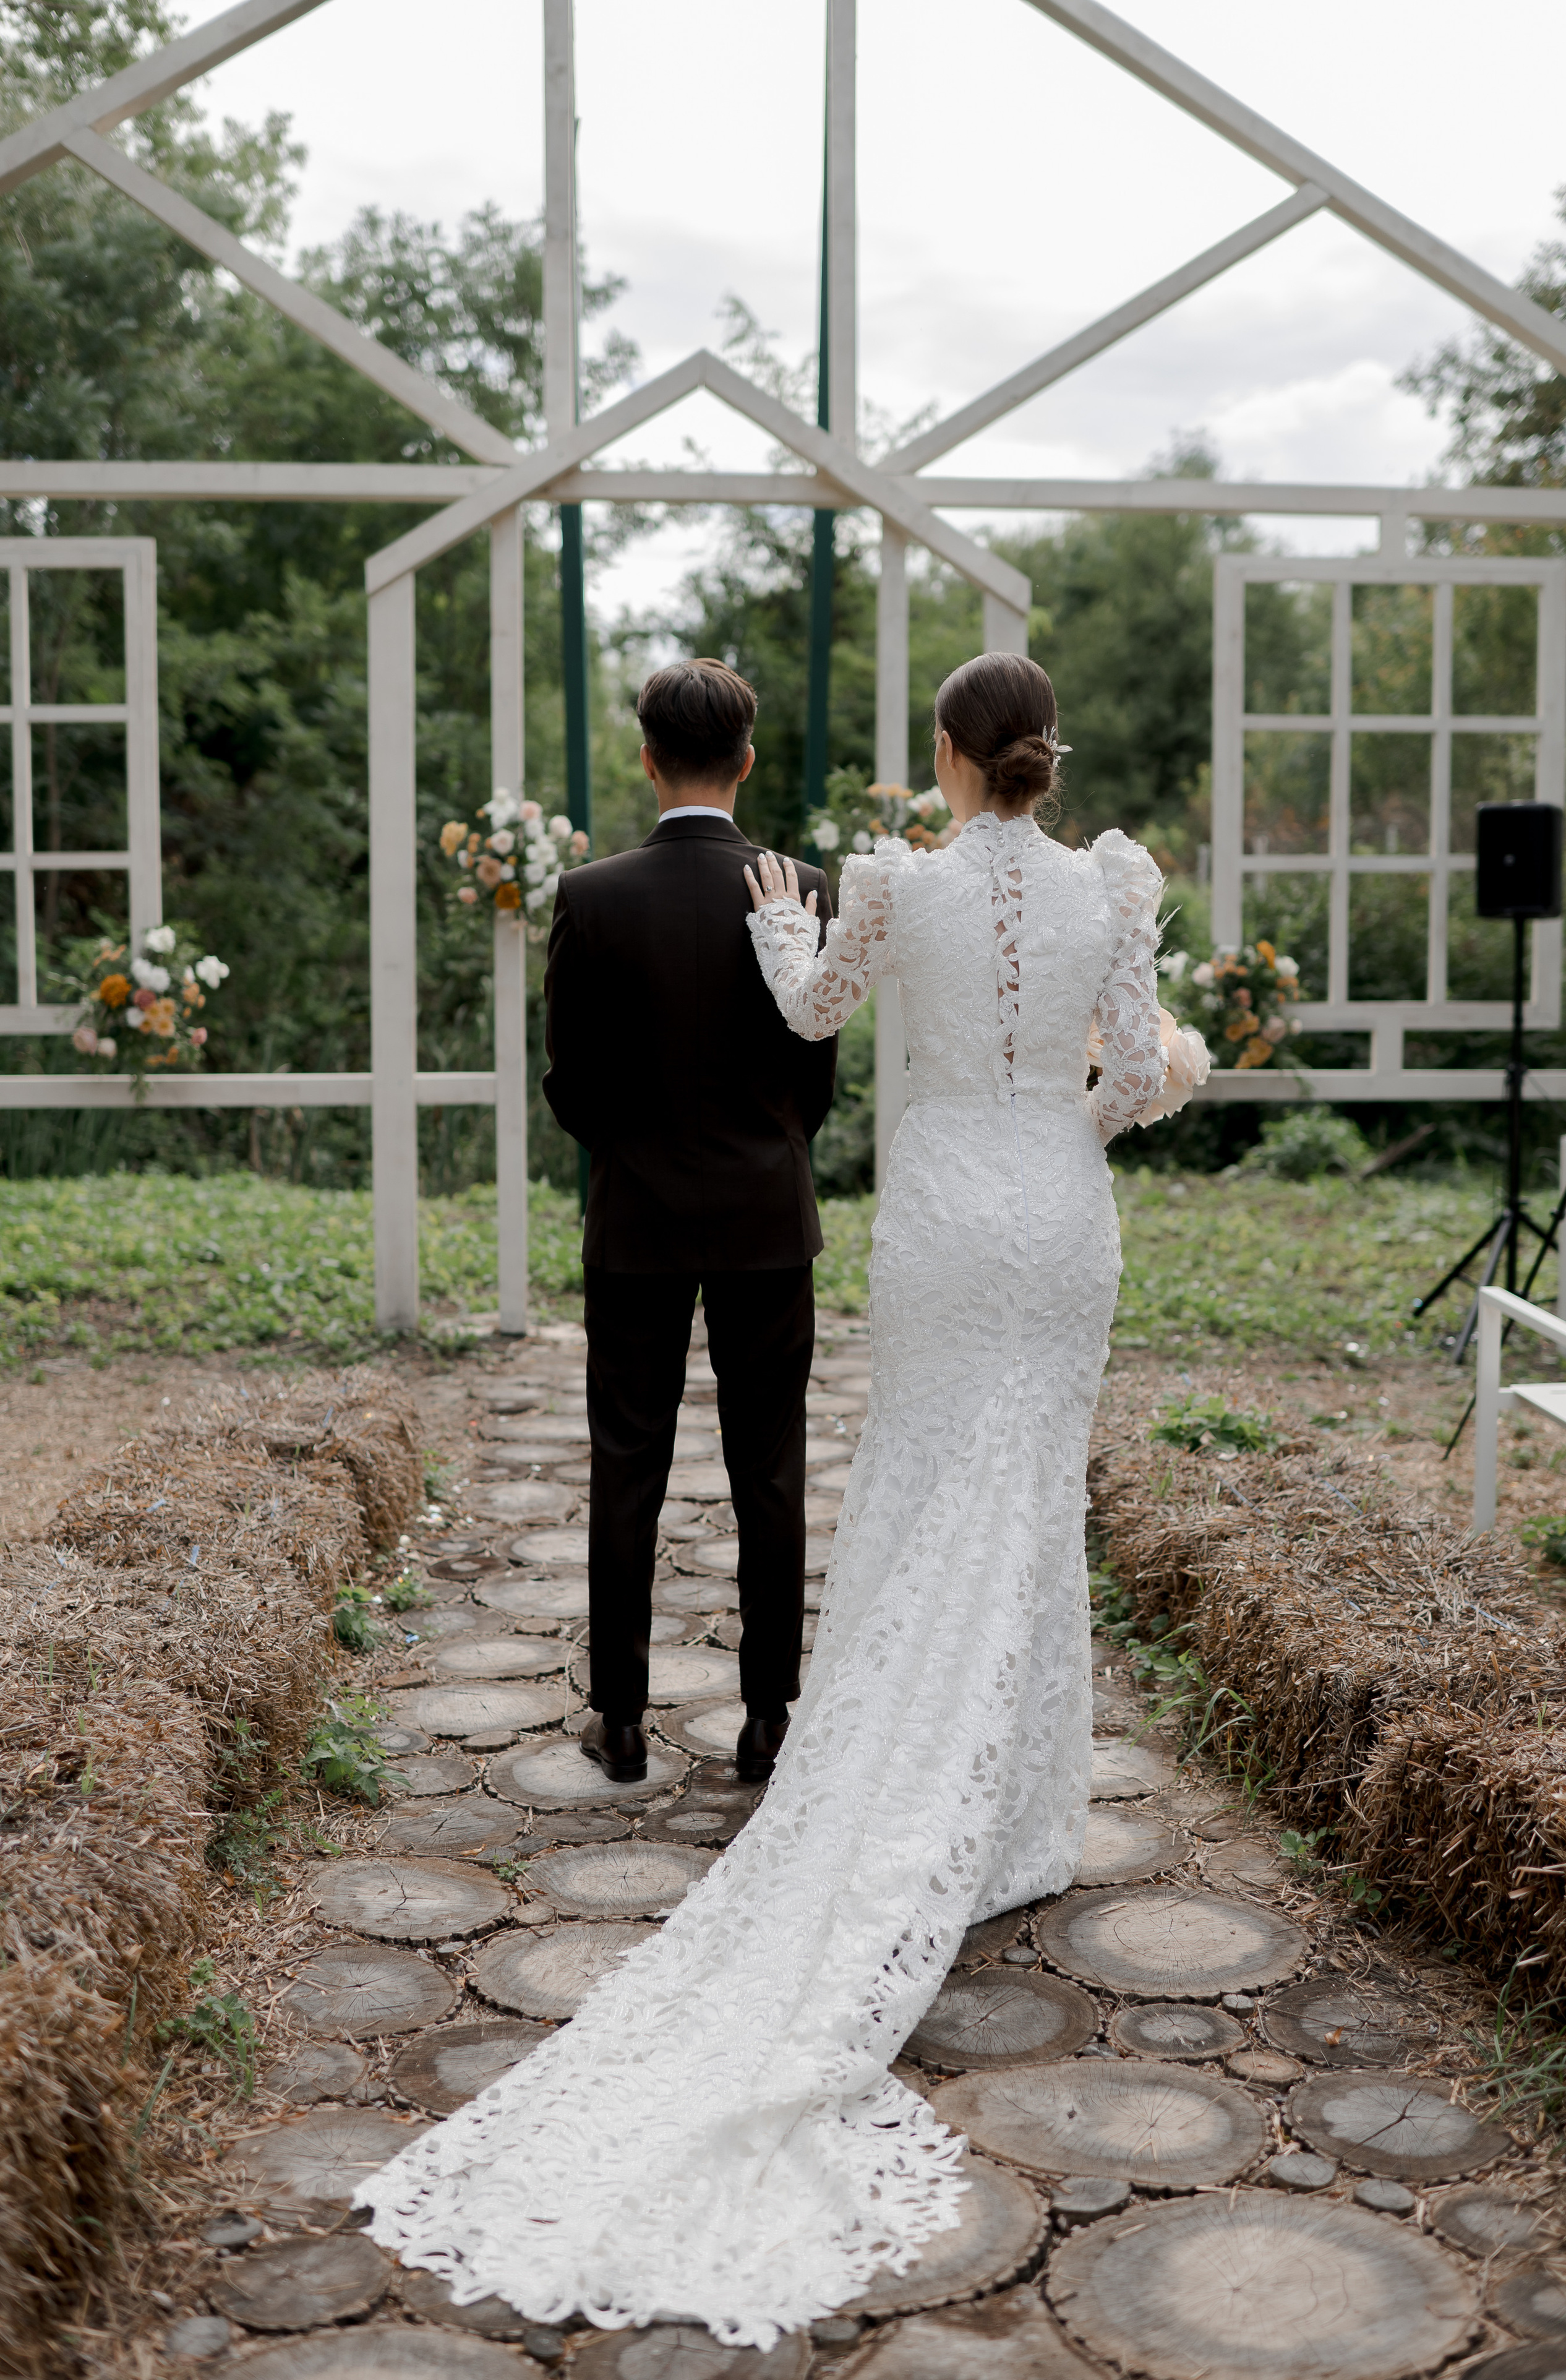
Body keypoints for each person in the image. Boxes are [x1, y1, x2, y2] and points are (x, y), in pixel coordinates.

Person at [359, 652, 1208, 2347]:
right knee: (982, 1499)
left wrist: (772, 956)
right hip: (1027, 1208)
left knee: (805, 1478)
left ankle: (736, 1737)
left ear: (954, 760)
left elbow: (782, 1025)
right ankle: (941, 1783)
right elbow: (1131, 1076)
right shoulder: (1109, 886)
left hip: (905, 1217)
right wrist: (1073, 1116)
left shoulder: (853, 887)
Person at [538, 658, 836, 1786]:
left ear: (648, 757)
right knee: (770, 1468)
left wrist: (635, 1156)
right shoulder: (802, 886)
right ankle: (767, 1721)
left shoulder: (592, 895)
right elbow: (819, 1076)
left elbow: (569, 1082)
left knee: (627, 1463)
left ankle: (618, 1720)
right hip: (767, 1211)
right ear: (746, 760)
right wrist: (764, 1149)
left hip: (635, 1219)